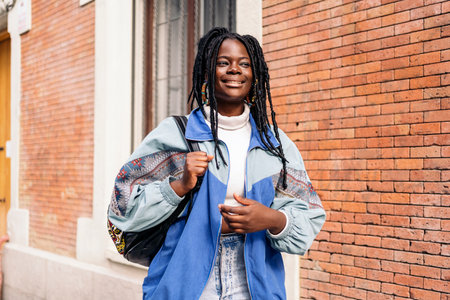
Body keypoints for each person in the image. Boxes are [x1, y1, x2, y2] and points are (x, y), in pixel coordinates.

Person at [107, 27, 326, 299]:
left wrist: (272, 218)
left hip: (255, 280)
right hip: (185, 276)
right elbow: (122, 205)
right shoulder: (177, 134)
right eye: (224, 62)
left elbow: (310, 216)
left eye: (244, 64)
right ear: (207, 72)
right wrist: (178, 185)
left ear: (255, 74)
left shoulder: (274, 144)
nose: (235, 70)